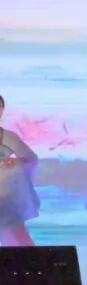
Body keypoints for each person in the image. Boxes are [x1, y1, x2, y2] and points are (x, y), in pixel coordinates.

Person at [0, 95, 40, 247]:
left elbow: (31, 158)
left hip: (7, 198)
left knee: (20, 239)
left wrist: (17, 161)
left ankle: (34, 262)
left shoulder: (10, 137)